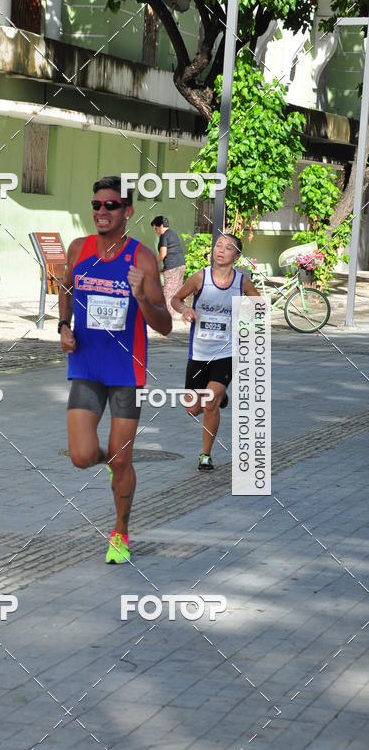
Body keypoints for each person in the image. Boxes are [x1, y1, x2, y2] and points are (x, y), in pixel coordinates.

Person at [59, 176, 172, 564]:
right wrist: (63, 326)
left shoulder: (141, 259)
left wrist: (140, 296)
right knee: (81, 455)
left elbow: (165, 325)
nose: (101, 212)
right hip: (88, 364)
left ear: (128, 211)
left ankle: (120, 534)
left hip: (127, 370)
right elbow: (66, 288)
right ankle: (116, 464)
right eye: (96, 205)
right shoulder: (79, 249)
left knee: (122, 460)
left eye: (110, 206)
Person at [171, 233, 259, 471]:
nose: (220, 250)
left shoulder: (242, 283)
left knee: (210, 403)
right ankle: (220, 397)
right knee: (193, 409)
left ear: (236, 256)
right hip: (198, 352)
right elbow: (175, 299)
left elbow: (258, 306)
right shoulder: (200, 277)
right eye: (218, 245)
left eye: (227, 247)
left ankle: (205, 455)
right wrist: (185, 310)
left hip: (226, 352)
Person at [151, 215, 185, 319]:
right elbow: (173, 251)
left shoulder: (164, 236)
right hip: (181, 265)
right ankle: (177, 314)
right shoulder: (173, 234)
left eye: (156, 228)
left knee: (168, 292)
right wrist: (164, 268)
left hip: (172, 266)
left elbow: (163, 254)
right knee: (177, 292)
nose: (156, 231)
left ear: (161, 225)